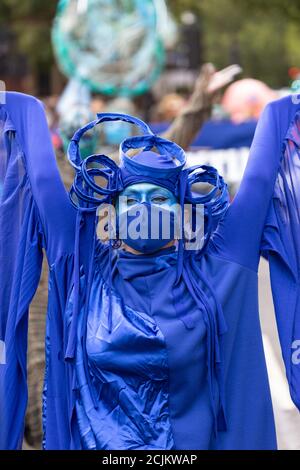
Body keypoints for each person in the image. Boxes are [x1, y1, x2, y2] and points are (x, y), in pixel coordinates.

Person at [0, 90, 299, 450]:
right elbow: (42, 171)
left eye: (158, 199)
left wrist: (288, 105)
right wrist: (13, 103)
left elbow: (263, 170)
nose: (144, 208)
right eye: (133, 198)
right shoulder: (81, 265)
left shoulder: (220, 267)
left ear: (182, 210)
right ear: (111, 209)